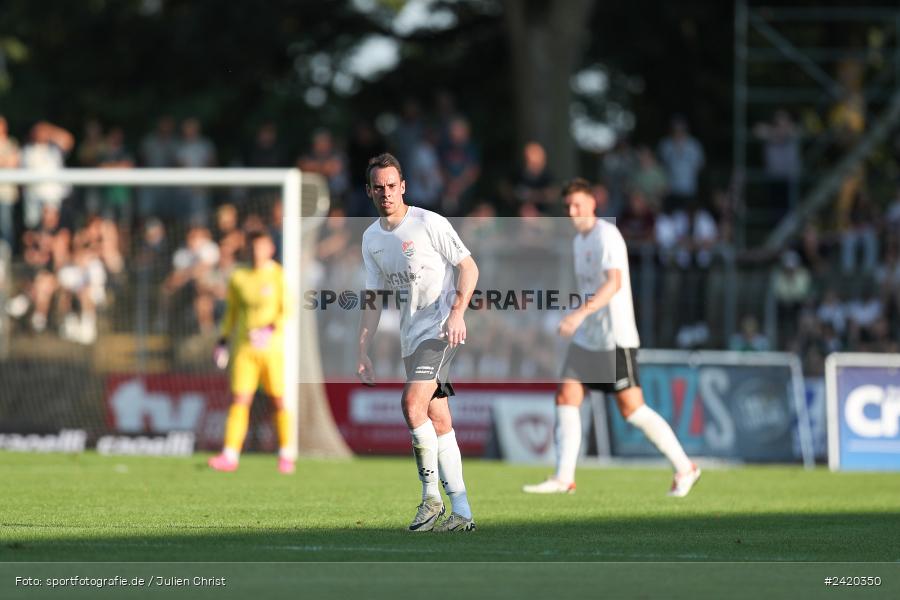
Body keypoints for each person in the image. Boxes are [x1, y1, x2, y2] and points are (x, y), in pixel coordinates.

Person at [523, 178, 700, 497]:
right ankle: (564, 478)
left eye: (578, 204)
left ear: (593, 204)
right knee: (566, 397)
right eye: (568, 207)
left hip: (615, 337)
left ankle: (686, 467)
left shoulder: (607, 235)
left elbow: (614, 283)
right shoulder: (579, 242)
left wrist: (579, 314)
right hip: (588, 338)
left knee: (632, 409)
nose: (573, 211)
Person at [357, 153, 479, 532]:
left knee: (412, 404)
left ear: (404, 186)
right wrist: (363, 347)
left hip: (441, 328)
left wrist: (458, 312)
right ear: (369, 191)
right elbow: (373, 299)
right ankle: (463, 514)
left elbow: (468, 267)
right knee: (438, 418)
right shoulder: (371, 238)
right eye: (379, 187)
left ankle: (430, 500)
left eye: (392, 185)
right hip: (412, 336)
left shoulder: (429, 222)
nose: (386, 193)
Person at [207, 229, 294, 474]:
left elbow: (286, 309)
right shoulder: (239, 276)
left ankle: (286, 453)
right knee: (239, 399)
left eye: (261, 247)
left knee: (277, 400)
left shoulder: (278, 275)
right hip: (244, 348)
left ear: (270, 249)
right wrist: (223, 340)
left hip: (272, 349)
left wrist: (268, 329)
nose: (257, 252)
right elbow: (231, 312)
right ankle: (230, 454)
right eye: (253, 248)